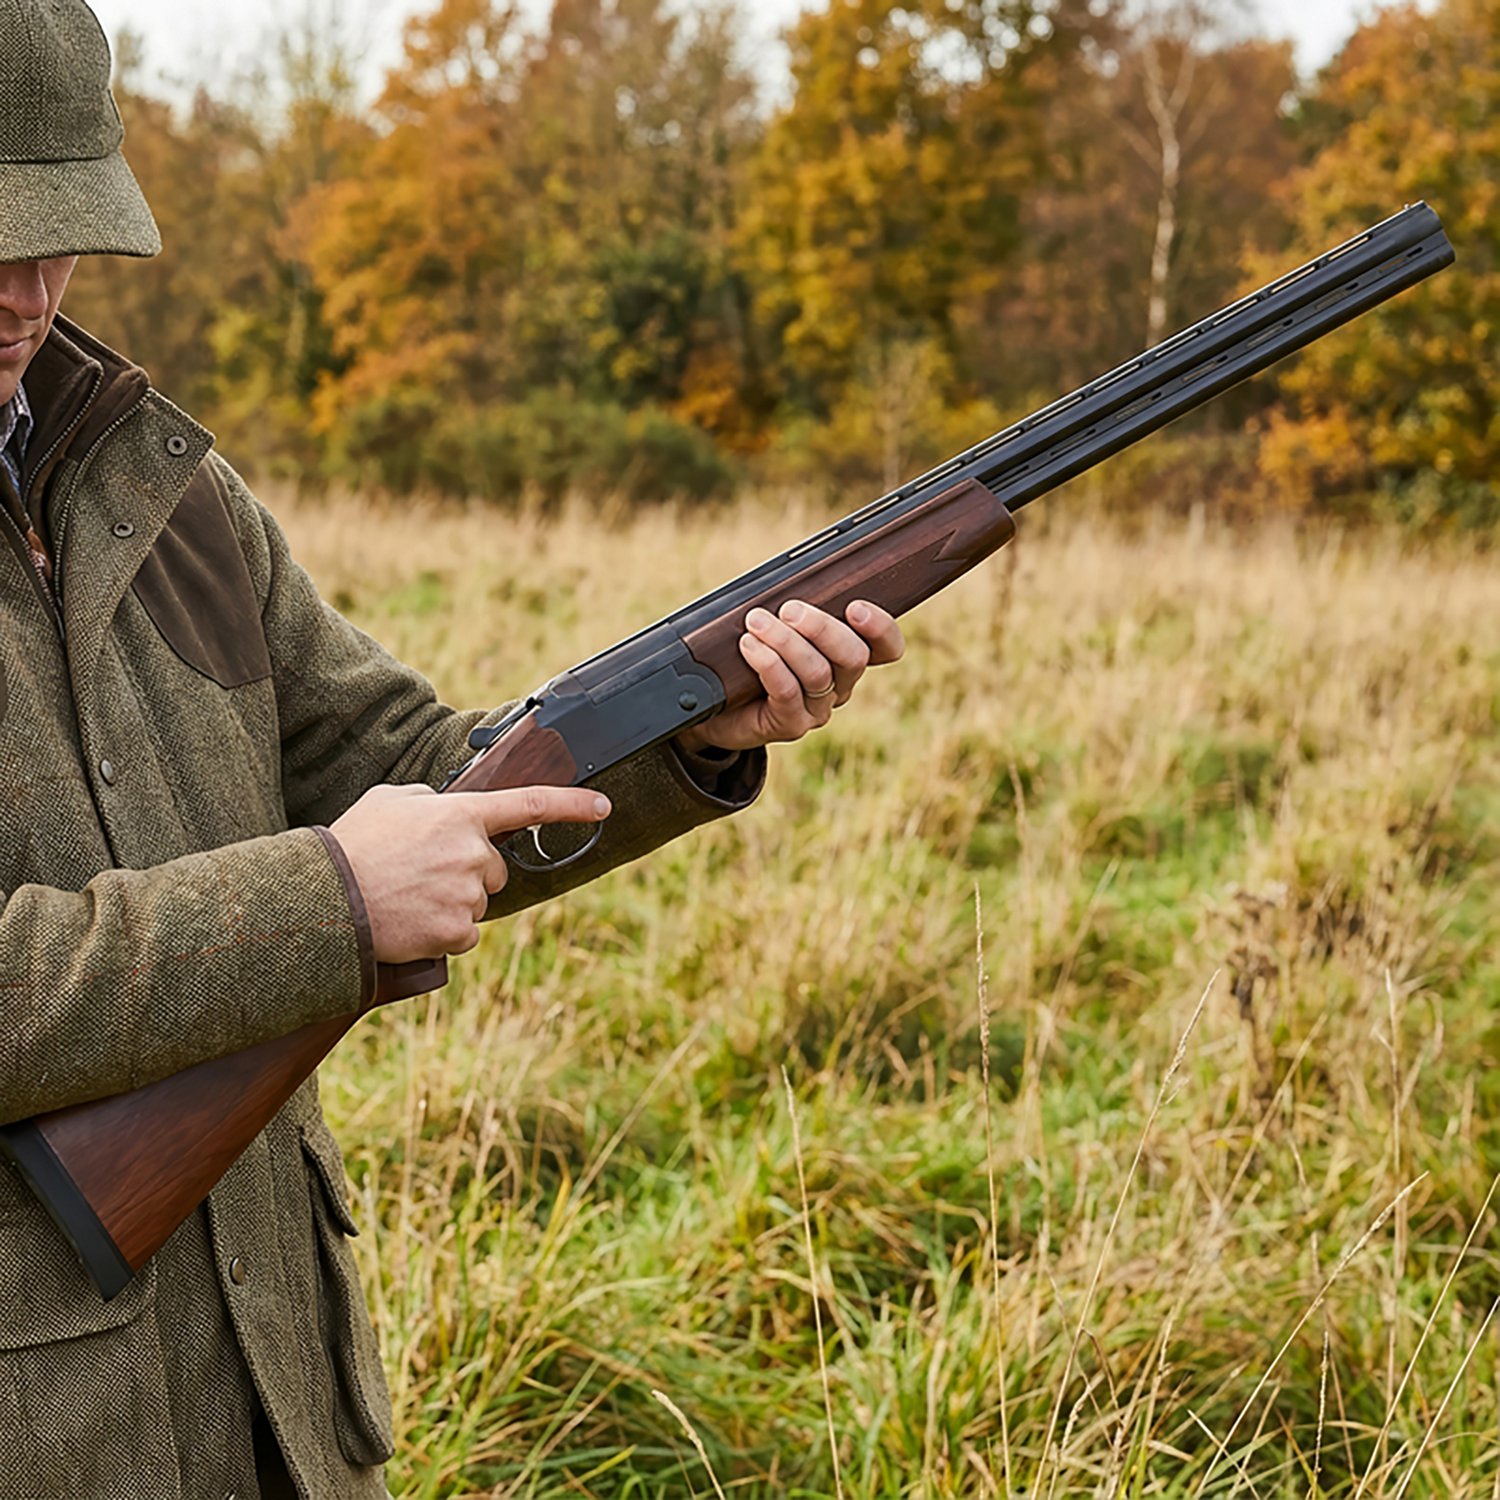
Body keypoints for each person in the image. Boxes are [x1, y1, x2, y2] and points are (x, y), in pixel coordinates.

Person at [0, 3, 905, 1496]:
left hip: (273, 1410)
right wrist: (325, 907)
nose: (30, 289)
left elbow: (416, 765)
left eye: (61, 230)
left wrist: (692, 729)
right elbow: (348, 868)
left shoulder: (167, 495)